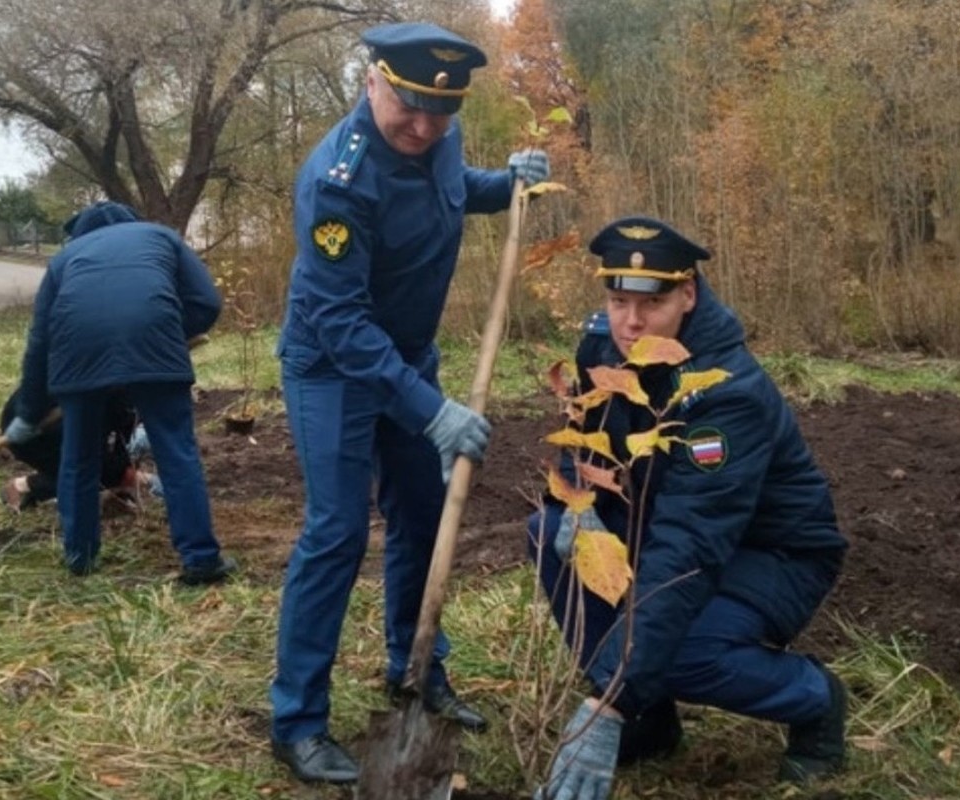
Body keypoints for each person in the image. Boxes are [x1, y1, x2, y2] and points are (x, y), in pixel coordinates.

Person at [269, 21, 552, 785]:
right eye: (410, 108)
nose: (424, 127)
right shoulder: (337, 181)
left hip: (408, 361)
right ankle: (296, 720)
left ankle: (417, 665)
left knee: (422, 515)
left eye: (441, 111)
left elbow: (453, 193)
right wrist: (430, 410)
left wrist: (510, 182)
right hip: (332, 367)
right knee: (335, 531)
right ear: (373, 83)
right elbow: (339, 320)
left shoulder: (440, 141)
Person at [528, 216, 849, 799]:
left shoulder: (727, 392)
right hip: (667, 527)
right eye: (617, 299)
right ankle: (651, 721)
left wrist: (610, 698)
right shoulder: (603, 345)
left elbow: (690, 543)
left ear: (688, 295)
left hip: (771, 551)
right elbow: (586, 438)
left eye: (649, 304)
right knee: (548, 531)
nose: (630, 321)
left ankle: (814, 699)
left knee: (683, 654)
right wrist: (577, 499)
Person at [4, 200, 235, 586]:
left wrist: (28, 411)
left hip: (77, 359)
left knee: (78, 458)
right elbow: (206, 303)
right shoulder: (161, 237)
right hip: (155, 347)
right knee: (176, 453)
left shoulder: (64, 259)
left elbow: (41, 339)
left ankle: (80, 558)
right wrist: (168, 336)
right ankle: (201, 561)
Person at [0, 387, 145, 513]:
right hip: (36, 431)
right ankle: (24, 486)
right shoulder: (126, 391)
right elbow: (121, 437)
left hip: (25, 419)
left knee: (114, 469)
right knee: (106, 474)